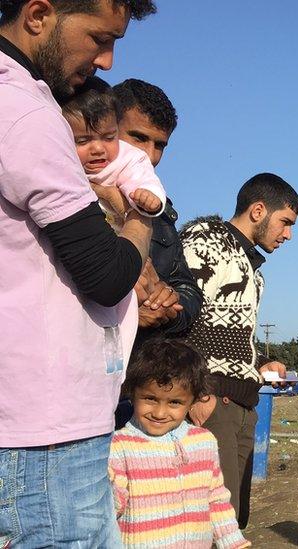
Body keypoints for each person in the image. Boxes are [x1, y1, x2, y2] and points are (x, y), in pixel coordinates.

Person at [0, 0, 155, 545]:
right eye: (98, 37)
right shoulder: (22, 112)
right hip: (42, 438)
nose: (108, 61)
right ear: (39, 15)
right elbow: (108, 273)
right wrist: (138, 219)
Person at [181, 173, 298, 519]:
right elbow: (178, 319)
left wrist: (260, 361)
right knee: (213, 521)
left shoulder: (249, 265)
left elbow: (221, 328)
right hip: (213, 398)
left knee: (233, 520)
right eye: (286, 222)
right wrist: (196, 392)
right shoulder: (205, 242)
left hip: (243, 405)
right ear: (259, 210)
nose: (288, 235)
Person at [109, 339, 250, 548]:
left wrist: (233, 542)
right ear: (132, 393)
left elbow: (216, 500)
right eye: (150, 398)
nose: (159, 413)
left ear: (193, 401)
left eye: (174, 402)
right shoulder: (120, 447)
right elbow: (109, 509)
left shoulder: (203, 442)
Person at [114, 78, 202, 342]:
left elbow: (187, 290)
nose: (150, 156)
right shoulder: (66, 188)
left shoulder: (161, 211)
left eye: (160, 145)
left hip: (135, 370)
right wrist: (126, 310)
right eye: (138, 138)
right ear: (105, 126)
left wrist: (169, 304)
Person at [62, 76, 166, 228]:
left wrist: (148, 196)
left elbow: (142, 179)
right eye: (83, 141)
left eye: (109, 138)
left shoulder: (127, 159)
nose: (98, 149)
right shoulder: (58, 161)